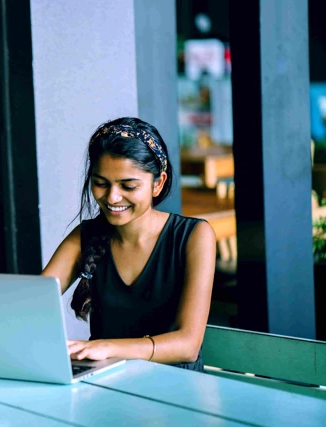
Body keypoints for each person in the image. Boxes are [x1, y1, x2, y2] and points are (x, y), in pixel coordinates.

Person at [41, 117, 216, 372]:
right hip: (107, 383)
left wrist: (107, 347)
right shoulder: (85, 236)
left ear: (158, 183)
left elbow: (187, 346)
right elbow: (32, 303)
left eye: (128, 186)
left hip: (176, 388)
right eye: (101, 183)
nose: (112, 197)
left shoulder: (194, 236)